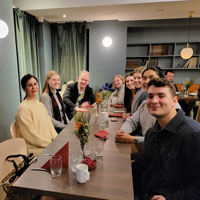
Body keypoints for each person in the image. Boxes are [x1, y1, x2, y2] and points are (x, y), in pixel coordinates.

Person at [132, 78, 200, 200]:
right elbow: (142, 164)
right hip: (146, 192)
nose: (154, 101)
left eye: (161, 96)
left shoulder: (192, 135)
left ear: (174, 101)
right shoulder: (152, 132)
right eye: (150, 96)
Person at [115, 67, 164, 144]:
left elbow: (161, 140)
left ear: (162, 80)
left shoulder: (167, 106)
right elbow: (132, 121)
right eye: (144, 78)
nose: (147, 81)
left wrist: (132, 139)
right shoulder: (145, 103)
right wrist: (122, 131)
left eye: (151, 77)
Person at [15, 74, 57, 156]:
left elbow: (50, 126)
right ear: (24, 88)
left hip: (48, 145)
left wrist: (56, 140)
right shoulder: (23, 108)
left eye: (35, 84)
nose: (34, 88)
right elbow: (31, 136)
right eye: (30, 85)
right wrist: (50, 144)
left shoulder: (40, 105)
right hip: (36, 149)